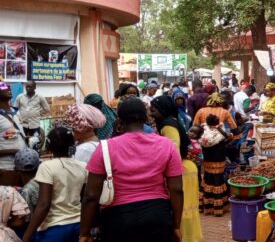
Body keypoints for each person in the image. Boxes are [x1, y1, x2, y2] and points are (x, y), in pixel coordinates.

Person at [79, 97, 184, 242]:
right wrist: (176, 226)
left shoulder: (105, 148)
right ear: (146, 118)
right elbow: (177, 190)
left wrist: (84, 232)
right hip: (158, 215)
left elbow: (90, 195)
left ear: (120, 121)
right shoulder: (167, 145)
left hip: (118, 219)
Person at [150, 96, 202, 242]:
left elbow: (174, 150)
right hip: (184, 168)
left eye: (153, 110)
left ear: (162, 110)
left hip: (181, 170)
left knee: (182, 209)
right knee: (186, 208)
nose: (151, 113)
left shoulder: (167, 125)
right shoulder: (171, 121)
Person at [22, 127, 87, 242]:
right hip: (78, 224)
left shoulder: (47, 167)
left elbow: (44, 204)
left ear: (49, 145)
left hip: (55, 227)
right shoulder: (83, 166)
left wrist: (26, 237)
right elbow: (84, 198)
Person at [199, 114, 230, 217]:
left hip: (207, 160)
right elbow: (227, 136)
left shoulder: (203, 130)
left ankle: (207, 207)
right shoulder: (219, 132)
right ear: (216, 123)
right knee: (218, 181)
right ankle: (218, 208)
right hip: (218, 160)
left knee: (207, 180)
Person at [0, 81, 27, 186]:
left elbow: (14, 135)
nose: (8, 87)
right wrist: (13, 151)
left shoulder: (15, 112)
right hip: (6, 168)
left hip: (23, 167)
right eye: (3, 86)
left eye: (8, 85)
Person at [13, 81, 49, 146]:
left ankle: (35, 154)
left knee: (35, 142)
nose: (28, 88)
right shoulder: (20, 97)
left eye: (30, 87)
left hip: (35, 125)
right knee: (23, 142)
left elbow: (46, 109)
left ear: (35, 87)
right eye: (27, 87)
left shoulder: (40, 97)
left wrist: (38, 113)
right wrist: (18, 117)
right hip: (23, 125)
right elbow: (14, 109)